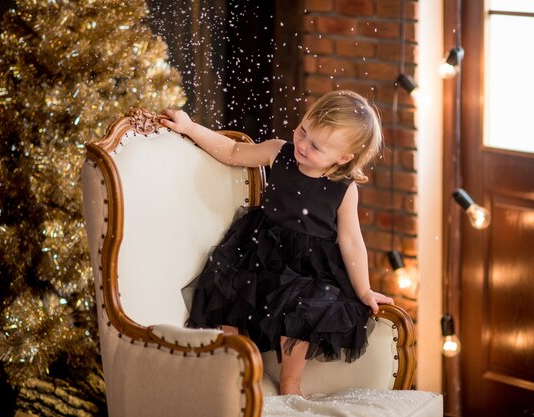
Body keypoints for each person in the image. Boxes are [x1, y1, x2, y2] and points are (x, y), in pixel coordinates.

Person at [160, 90, 394, 396]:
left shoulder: (343, 190)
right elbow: (232, 151)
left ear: (343, 158)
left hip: (307, 266)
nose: (302, 144)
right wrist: (190, 127)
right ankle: (238, 367)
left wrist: (364, 289)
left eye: (315, 146)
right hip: (258, 247)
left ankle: (290, 383)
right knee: (229, 292)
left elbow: (351, 241)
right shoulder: (278, 152)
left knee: (305, 310)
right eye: (303, 130)